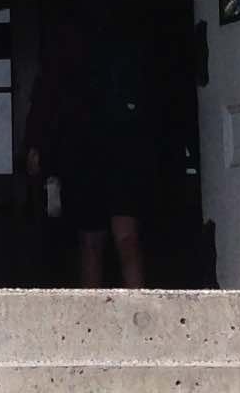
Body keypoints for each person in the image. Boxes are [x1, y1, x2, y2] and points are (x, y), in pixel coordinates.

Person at [25, 16, 147, 287]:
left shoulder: (63, 65)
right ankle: (139, 311)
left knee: (93, 242)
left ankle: (97, 316)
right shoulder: (121, 60)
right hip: (113, 152)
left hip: (89, 154)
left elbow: (47, 106)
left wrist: (39, 148)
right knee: (123, 237)